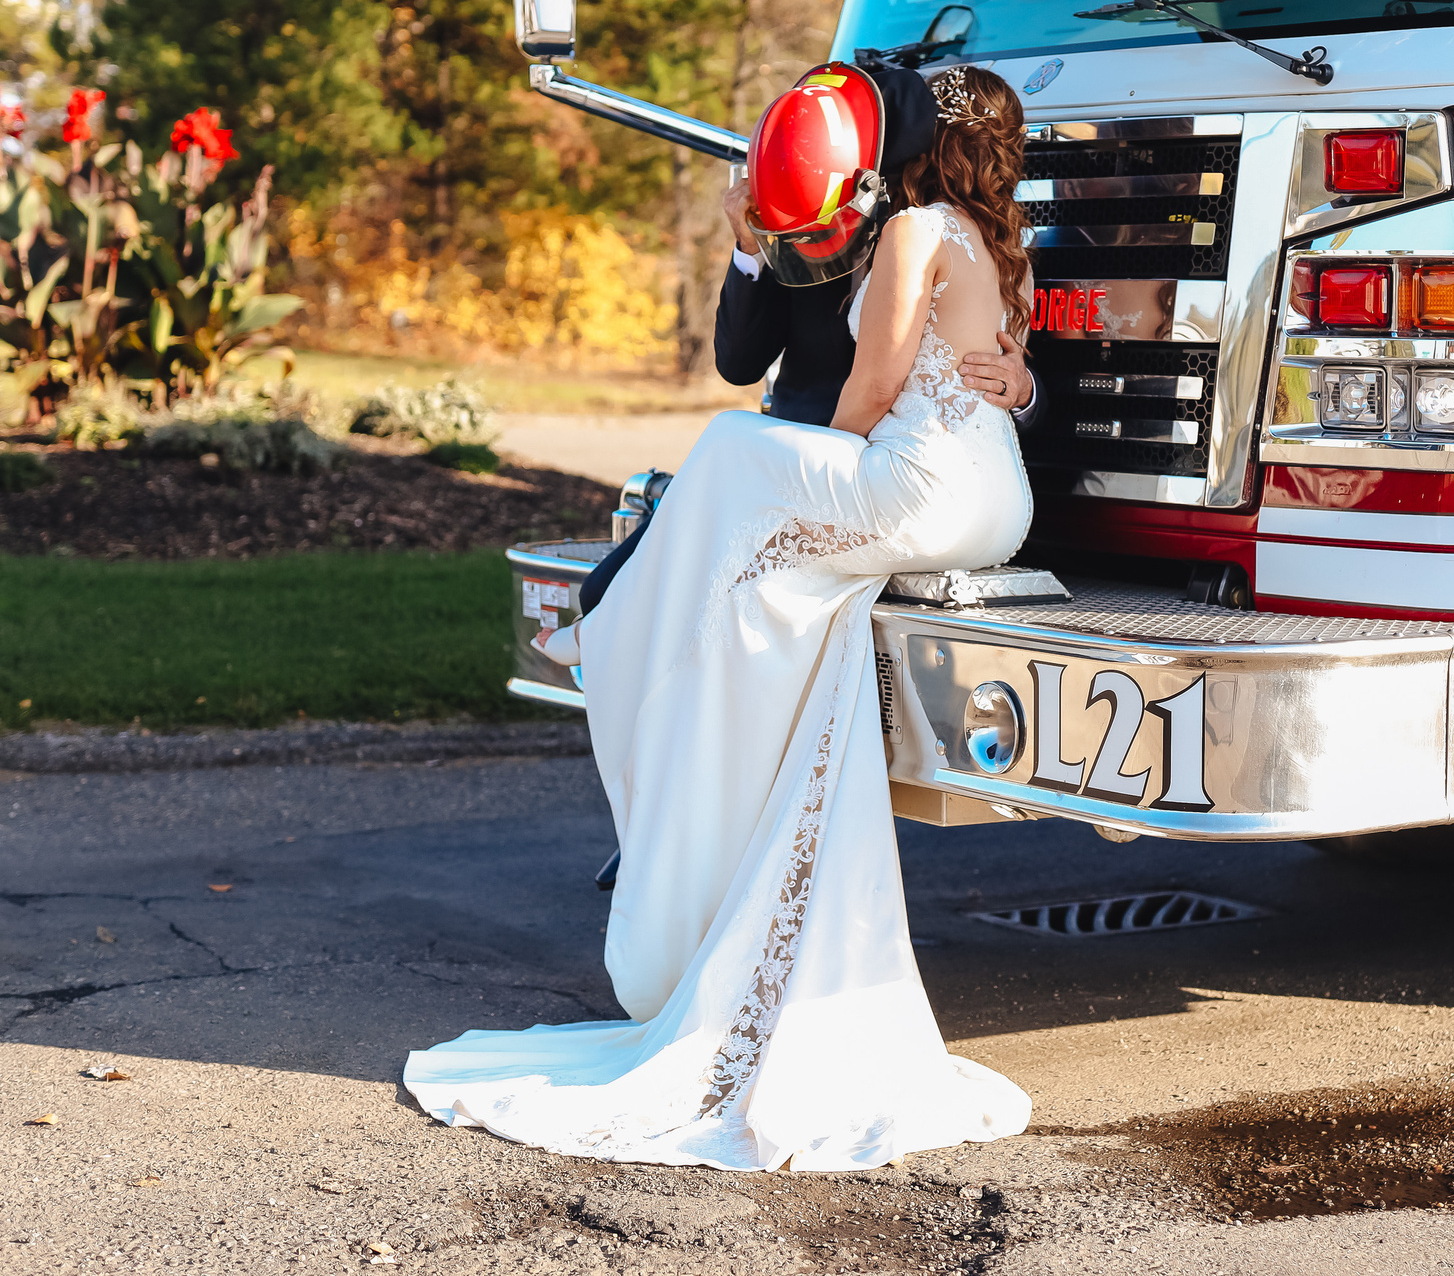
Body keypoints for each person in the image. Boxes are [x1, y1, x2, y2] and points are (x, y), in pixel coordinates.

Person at [403, 65, 1037, 1171]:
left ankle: (650, 692)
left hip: (901, 476)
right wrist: (757, 251)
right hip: (995, 495)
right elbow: (833, 359)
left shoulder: (907, 230)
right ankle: (676, 724)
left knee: (732, 454)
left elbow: (877, 385)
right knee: (750, 540)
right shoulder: (990, 240)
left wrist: (834, 466)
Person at [571, 62, 1033, 617]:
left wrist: (1025, 390)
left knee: (721, 464)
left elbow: (974, 365)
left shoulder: (937, 233)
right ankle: (607, 623)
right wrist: (751, 245)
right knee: (613, 590)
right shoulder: (807, 226)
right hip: (825, 459)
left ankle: (610, 634)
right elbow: (738, 363)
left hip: (901, 480)